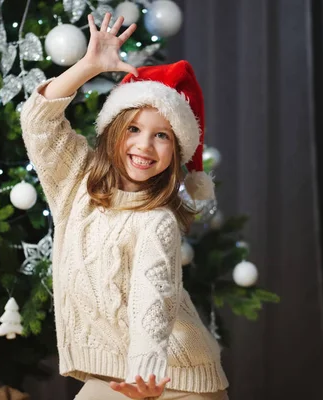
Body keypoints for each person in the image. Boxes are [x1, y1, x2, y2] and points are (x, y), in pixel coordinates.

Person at [20, 12, 229, 400]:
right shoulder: (75, 184)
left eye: (161, 136)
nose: (144, 146)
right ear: (114, 130)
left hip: (173, 378)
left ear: (176, 150)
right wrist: (88, 66)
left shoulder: (156, 221)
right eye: (133, 128)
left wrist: (145, 369)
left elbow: (155, 296)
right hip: (117, 374)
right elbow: (38, 123)